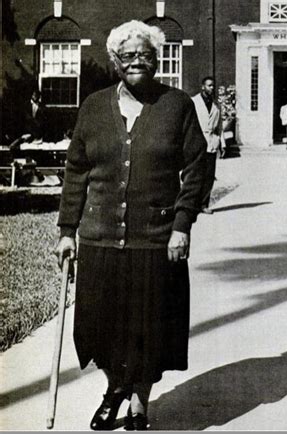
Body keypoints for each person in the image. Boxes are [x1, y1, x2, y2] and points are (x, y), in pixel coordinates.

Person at [55, 20, 207, 431]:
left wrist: (182, 224)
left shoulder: (177, 105)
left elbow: (197, 167)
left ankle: (138, 401)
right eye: (127, 55)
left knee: (149, 328)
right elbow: (76, 171)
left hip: (155, 240)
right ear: (115, 61)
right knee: (99, 327)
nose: (136, 61)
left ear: (156, 60)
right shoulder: (93, 106)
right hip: (100, 237)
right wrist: (67, 231)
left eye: (144, 54)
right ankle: (115, 386)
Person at [192, 77, 222, 214]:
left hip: (211, 143)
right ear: (202, 87)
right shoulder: (193, 102)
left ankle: (204, 204)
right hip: (197, 142)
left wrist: (221, 143)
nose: (212, 88)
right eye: (209, 85)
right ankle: (191, 204)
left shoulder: (216, 105)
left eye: (213, 86)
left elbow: (219, 126)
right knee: (195, 175)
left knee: (209, 175)